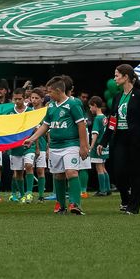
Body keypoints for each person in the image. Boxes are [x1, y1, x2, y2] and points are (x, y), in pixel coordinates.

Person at [25, 76, 88, 215]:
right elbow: (45, 125)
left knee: (71, 172)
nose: (48, 94)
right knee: (58, 175)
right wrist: (32, 138)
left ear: (59, 91)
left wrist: (84, 145)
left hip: (71, 144)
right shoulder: (51, 106)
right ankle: (61, 205)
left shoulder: (73, 104)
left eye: (50, 92)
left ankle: (75, 204)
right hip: (54, 146)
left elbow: (81, 124)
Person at [102, 64, 140, 214]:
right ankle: (125, 199)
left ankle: (133, 207)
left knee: (136, 173)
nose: (115, 78)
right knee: (119, 172)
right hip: (120, 138)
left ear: (126, 77)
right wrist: (103, 141)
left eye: (117, 75)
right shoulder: (117, 97)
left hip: (135, 139)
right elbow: (112, 120)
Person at [7, 89, 37, 203]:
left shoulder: (30, 112)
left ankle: (29, 193)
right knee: (18, 172)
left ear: (25, 98)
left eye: (20, 99)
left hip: (29, 144)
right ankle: (22, 194)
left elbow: (36, 130)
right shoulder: (9, 113)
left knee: (29, 166)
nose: (18, 101)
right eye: (16, 99)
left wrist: (37, 146)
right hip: (15, 147)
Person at [86, 97, 110, 197]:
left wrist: (91, 146)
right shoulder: (105, 117)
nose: (90, 109)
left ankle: (102, 190)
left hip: (98, 146)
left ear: (95, 105)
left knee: (99, 167)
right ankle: (107, 188)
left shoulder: (97, 118)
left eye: (91, 107)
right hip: (105, 145)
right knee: (103, 167)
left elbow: (95, 133)